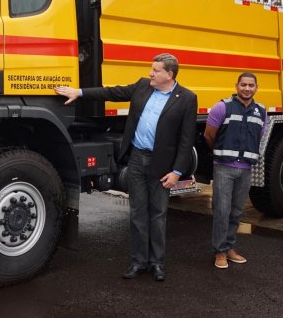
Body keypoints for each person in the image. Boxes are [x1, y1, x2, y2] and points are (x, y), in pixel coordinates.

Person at [55, 53, 197, 282]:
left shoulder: (187, 98)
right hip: (137, 159)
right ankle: (139, 261)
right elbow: (112, 92)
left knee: (158, 215)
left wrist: (177, 172)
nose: (150, 73)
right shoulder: (142, 86)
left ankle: (157, 263)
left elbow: (186, 139)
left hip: (162, 166)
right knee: (138, 214)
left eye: (155, 70)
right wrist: (79, 92)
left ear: (169, 74)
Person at [203, 72, 266, 269]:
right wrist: (221, 153)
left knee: (237, 211)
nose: (247, 88)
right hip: (224, 167)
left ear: (256, 88)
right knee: (222, 210)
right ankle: (220, 252)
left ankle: (230, 247)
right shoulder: (222, 107)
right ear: (237, 86)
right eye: (243, 85)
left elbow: (258, 136)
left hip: (245, 169)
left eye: (251, 85)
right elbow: (208, 135)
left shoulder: (261, 111)